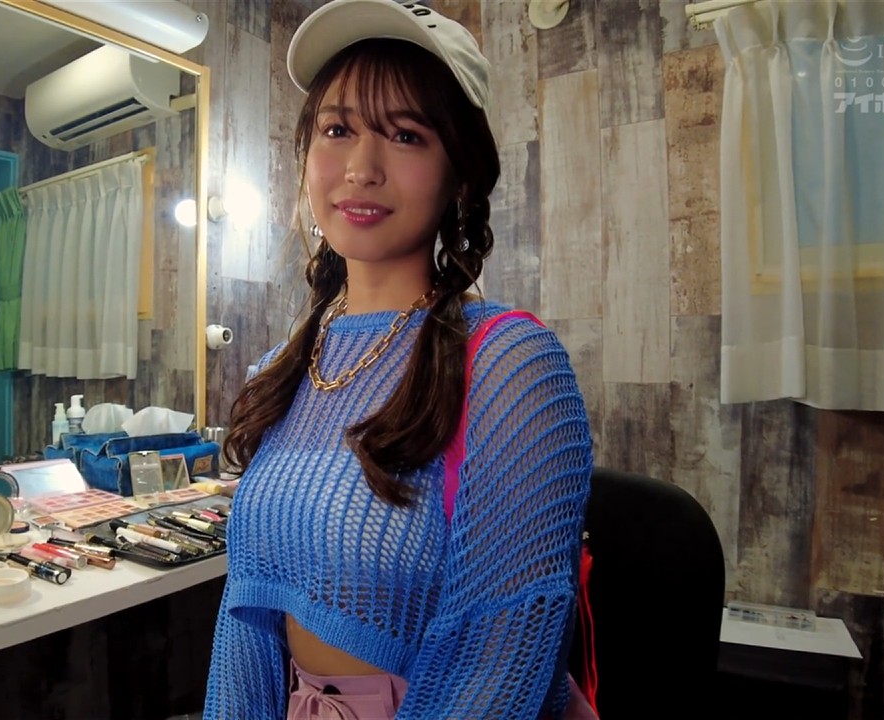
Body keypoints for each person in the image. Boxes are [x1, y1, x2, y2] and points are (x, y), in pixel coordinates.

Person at [204, 1, 595, 718]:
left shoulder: (510, 364)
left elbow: (501, 662)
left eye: (406, 135)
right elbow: (247, 618)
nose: (361, 168)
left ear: (460, 178)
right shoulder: (281, 369)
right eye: (337, 130)